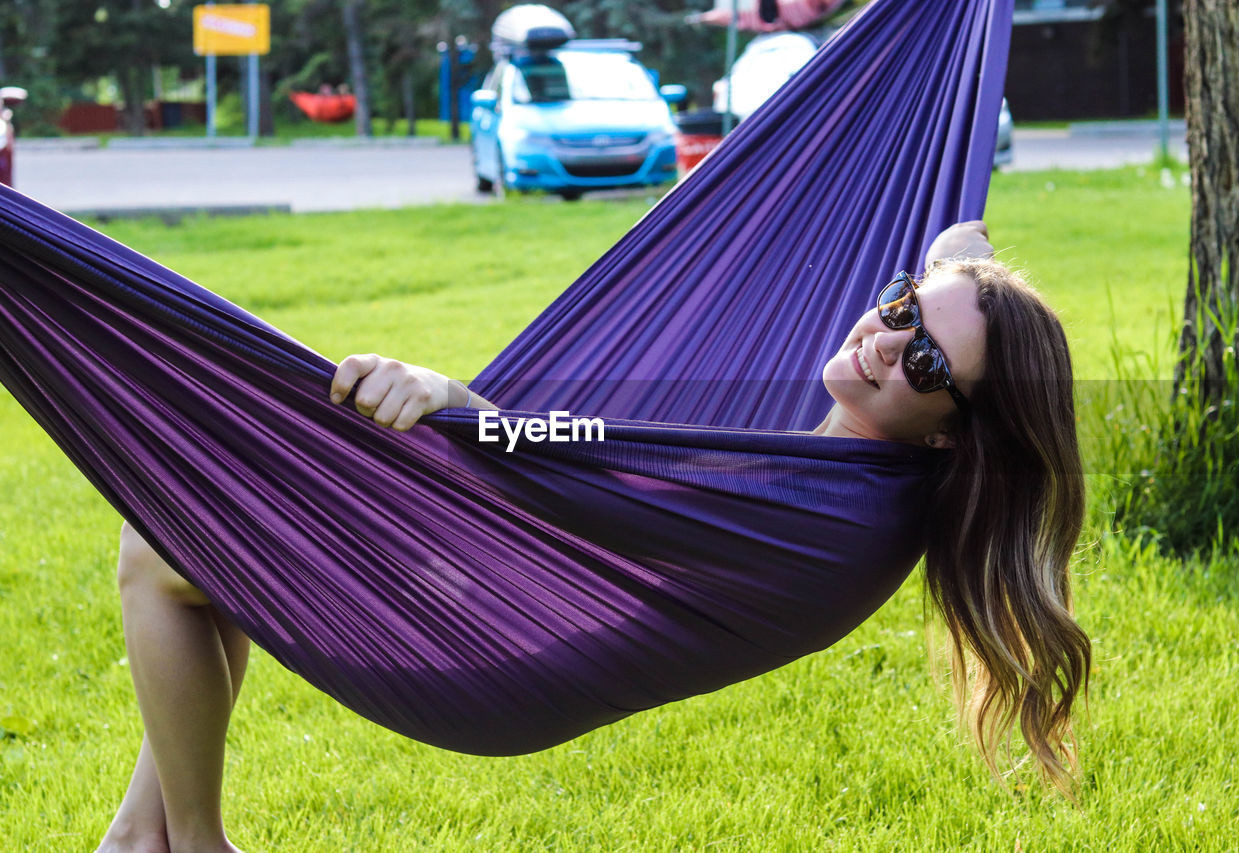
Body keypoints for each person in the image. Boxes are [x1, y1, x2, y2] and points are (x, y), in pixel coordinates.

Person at [97, 222, 1090, 852]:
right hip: (510, 601)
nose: (880, 338)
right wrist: (949, 263)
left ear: (956, 426)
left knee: (160, 551)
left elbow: (573, 471)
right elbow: (951, 251)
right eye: (896, 307)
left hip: (493, 659)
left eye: (920, 353)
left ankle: (190, 840)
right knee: (213, 532)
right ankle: (141, 832)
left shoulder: (826, 507)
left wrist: (454, 403)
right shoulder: (881, 476)